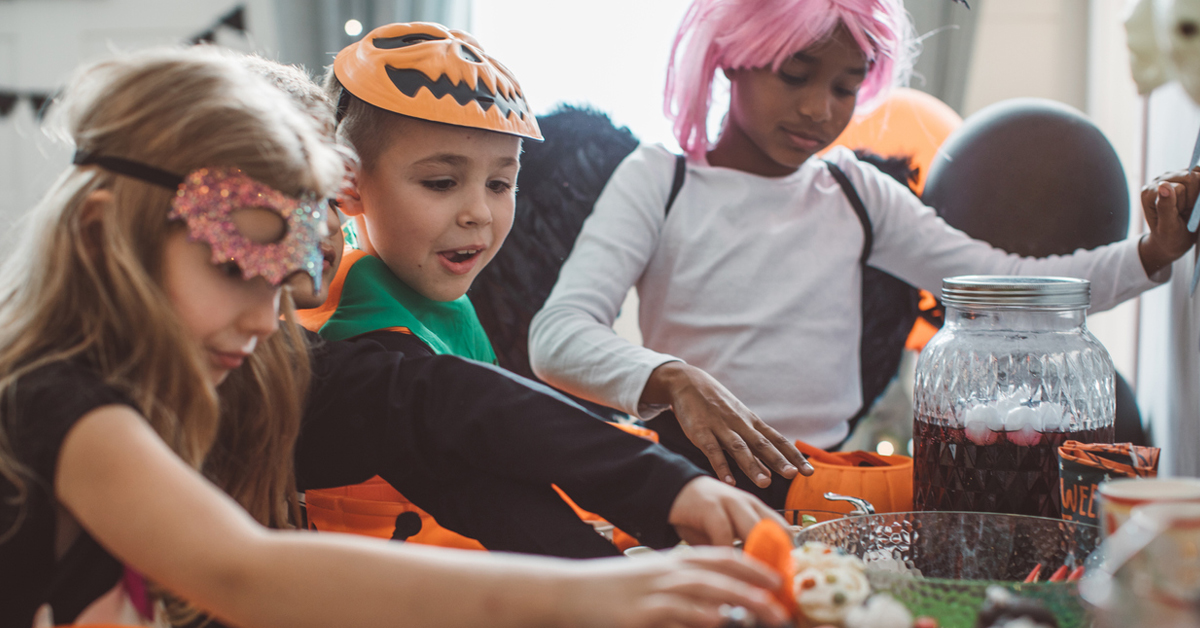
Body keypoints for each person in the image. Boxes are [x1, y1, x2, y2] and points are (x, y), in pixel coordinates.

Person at [0, 47, 791, 627]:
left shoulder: (234, 381)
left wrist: (646, 522)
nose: (268, 319)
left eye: (287, 284)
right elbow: (243, 572)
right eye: (237, 267)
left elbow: (436, 424)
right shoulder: (54, 400)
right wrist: (594, 594)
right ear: (108, 233)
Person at [528, 0, 1198, 507]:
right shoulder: (660, 179)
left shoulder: (855, 191)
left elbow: (1007, 289)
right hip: (688, 483)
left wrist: (1147, 254)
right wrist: (673, 379)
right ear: (731, 56)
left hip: (830, 486)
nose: (820, 110)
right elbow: (557, 336)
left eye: (846, 87)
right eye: (796, 75)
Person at [298, 23, 777, 555]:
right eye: (441, 183)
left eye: (501, 184)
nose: (478, 213)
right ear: (347, 183)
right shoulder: (359, 321)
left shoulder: (428, 287)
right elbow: (477, 463)